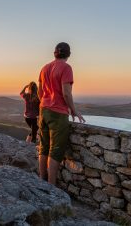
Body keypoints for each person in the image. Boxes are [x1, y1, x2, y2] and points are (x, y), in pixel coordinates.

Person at [38, 42, 85, 185]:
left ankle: (41, 180)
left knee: (44, 146)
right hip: (58, 113)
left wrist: (45, 103)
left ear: (55, 53)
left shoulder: (44, 68)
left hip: (43, 110)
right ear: (69, 54)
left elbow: (40, 92)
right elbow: (66, 93)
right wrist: (74, 110)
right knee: (56, 150)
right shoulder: (66, 68)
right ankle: (51, 186)